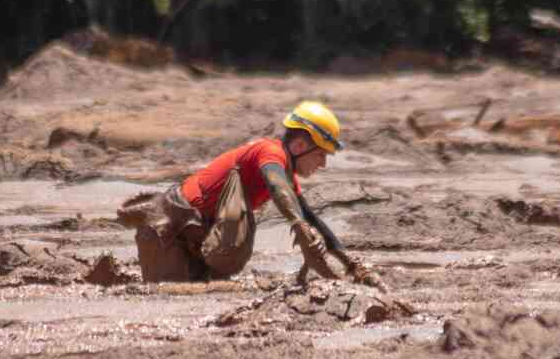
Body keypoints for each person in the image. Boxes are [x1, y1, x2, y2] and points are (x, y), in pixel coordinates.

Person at [117, 101, 384, 289]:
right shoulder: (269, 153)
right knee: (168, 295)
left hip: (200, 238)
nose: (323, 164)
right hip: (168, 233)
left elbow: (312, 218)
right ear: (300, 144)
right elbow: (278, 189)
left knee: (210, 288)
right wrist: (298, 226)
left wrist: (353, 266)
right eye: (320, 155)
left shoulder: (285, 172)